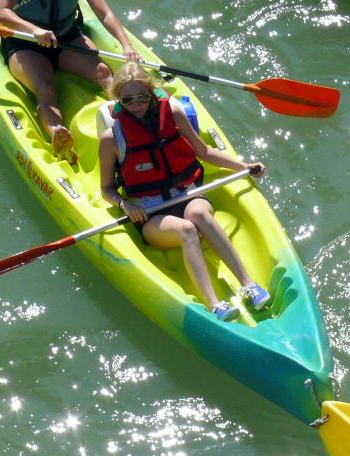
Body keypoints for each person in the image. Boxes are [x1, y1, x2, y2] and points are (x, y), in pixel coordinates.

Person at [98, 64, 271, 321]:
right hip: (152, 214)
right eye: (128, 100)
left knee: (199, 214)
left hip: (187, 194)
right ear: (118, 100)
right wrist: (125, 204)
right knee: (186, 229)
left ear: (152, 93)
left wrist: (244, 166)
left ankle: (248, 284)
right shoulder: (112, 138)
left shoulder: (174, 113)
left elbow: (204, 152)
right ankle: (214, 304)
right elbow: (106, 189)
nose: (137, 105)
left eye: (143, 97)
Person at [0, 0, 140, 163]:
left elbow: (105, 14)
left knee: (104, 72)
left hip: (67, 38)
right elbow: (1, 13)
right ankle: (58, 134)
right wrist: (34, 30)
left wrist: (126, 45)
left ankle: (134, 115)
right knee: (45, 88)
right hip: (26, 43)